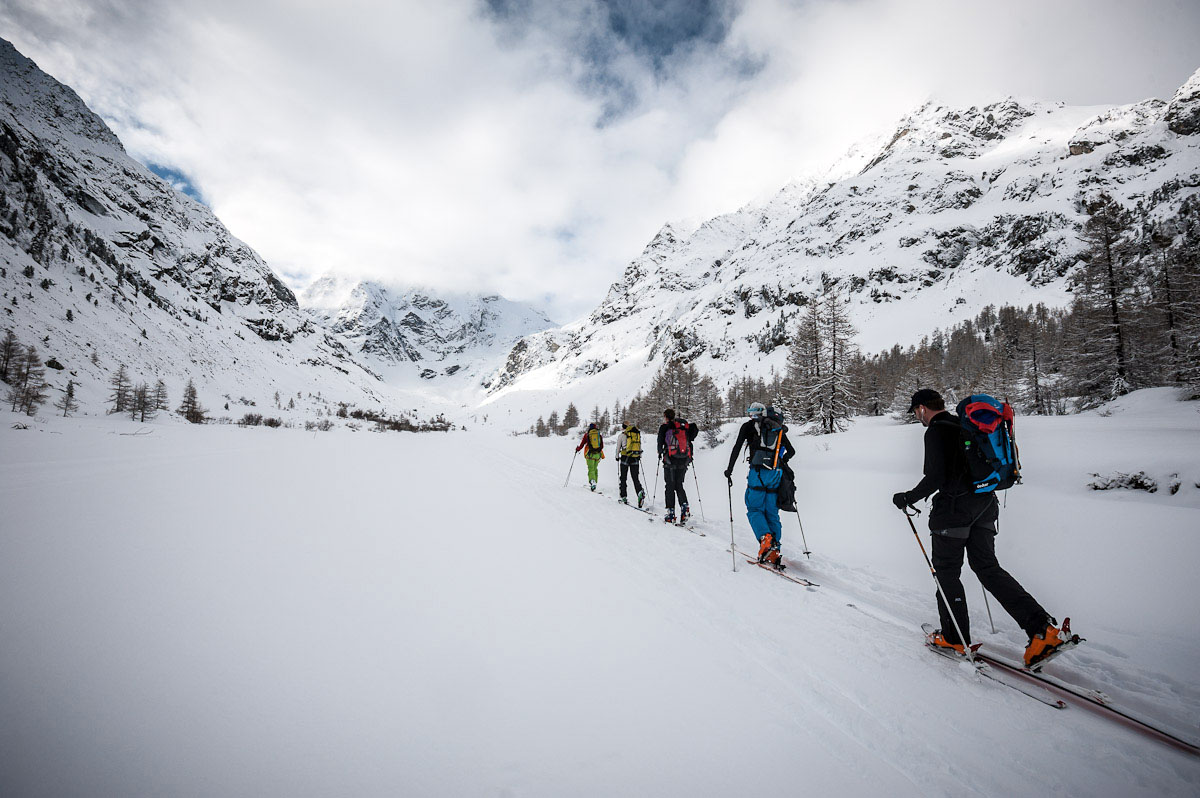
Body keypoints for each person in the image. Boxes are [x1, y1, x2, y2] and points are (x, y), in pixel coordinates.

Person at [892, 388, 1068, 667]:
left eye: (916, 412)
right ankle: (1042, 629)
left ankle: (954, 637)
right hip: (985, 506)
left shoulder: (936, 431)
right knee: (988, 568)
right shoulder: (964, 426)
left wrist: (906, 498)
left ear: (923, 408)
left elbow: (936, 476)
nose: (917, 418)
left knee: (947, 573)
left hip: (953, 513)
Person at [724, 402, 794, 567]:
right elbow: (791, 451)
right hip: (775, 474)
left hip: (758, 473)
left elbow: (737, 447)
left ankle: (765, 540)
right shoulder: (777, 427)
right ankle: (774, 548)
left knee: (754, 508)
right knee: (771, 512)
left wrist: (729, 470)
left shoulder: (748, 426)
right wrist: (781, 462)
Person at [656, 408, 698, 523]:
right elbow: (692, 438)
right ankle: (684, 507)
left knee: (669, 486)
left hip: (670, 461)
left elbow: (660, 444)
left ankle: (671, 513)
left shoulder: (664, 427)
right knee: (679, 484)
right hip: (684, 460)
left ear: (666, 416)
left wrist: (660, 453)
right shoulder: (683, 427)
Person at [615, 420, 646, 507]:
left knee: (623, 477)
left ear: (623, 427)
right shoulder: (635, 434)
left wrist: (617, 456)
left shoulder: (622, 435)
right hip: (635, 457)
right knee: (635, 477)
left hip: (625, 457)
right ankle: (639, 492)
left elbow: (618, 447)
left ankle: (623, 496)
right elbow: (639, 445)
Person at [575, 422, 604, 492]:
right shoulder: (599, 435)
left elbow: (582, 445)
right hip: (597, 455)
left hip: (590, 454)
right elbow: (602, 446)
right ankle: (595, 483)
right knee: (595, 468)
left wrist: (577, 449)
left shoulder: (587, 435)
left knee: (591, 469)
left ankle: (592, 482)